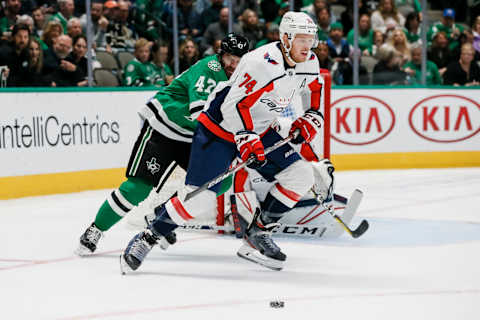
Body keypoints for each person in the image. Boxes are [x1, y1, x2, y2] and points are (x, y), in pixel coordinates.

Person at [120, 11, 326, 272]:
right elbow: (233, 105)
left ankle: (257, 236)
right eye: (301, 40)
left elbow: (314, 89)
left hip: (258, 127)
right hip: (220, 127)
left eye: (311, 39)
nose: (308, 46)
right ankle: (148, 237)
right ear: (285, 38)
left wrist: (312, 115)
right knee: (202, 198)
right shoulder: (260, 63)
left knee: (301, 175)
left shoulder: (309, 62)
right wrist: (246, 137)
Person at [76, 33, 250, 255]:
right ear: (221, 55)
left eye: (238, 60)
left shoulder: (241, 77)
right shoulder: (211, 69)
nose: (233, 65)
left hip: (193, 134)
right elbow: (202, 115)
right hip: (165, 126)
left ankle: (163, 211)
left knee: (220, 179)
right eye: (229, 59)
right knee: (138, 188)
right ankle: (95, 230)